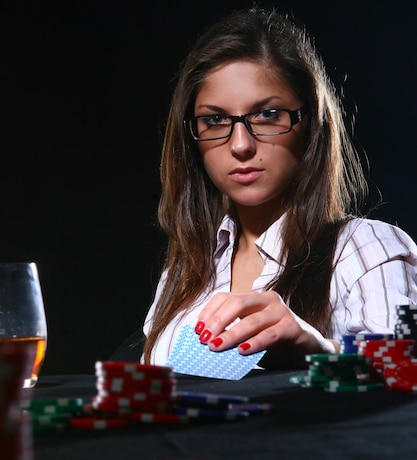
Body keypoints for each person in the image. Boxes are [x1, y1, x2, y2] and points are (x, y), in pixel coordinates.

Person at [140, 5, 417, 370]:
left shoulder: (364, 249)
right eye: (215, 119)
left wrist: (320, 351)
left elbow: (406, 373)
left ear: (311, 125)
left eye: (267, 114)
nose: (240, 145)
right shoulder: (186, 271)